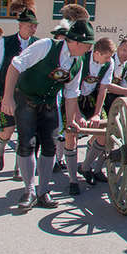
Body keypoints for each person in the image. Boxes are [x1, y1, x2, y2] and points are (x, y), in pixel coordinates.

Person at [0, 15, 94, 210]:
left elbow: (71, 93)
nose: (89, 48)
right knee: (28, 143)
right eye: (87, 44)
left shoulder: (78, 61)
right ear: (75, 42)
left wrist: (70, 121)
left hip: (49, 104)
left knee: (50, 146)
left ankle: (43, 192)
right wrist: (8, 97)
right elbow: (15, 66)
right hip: (26, 99)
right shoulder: (46, 46)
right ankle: (29, 191)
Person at [0, 0, 39, 181]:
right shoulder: (6, 42)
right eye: (29, 25)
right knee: (7, 130)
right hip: (7, 94)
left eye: (35, 25)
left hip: (28, 97)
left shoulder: (38, 43)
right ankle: (0, 150)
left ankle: (20, 167)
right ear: (20, 25)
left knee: (25, 132)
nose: (33, 28)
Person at [69, 36, 115, 195]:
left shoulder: (109, 63)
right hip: (72, 99)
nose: (109, 60)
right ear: (96, 53)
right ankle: (72, 179)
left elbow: (103, 89)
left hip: (91, 98)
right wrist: (77, 115)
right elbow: (71, 89)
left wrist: (96, 114)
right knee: (71, 134)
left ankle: (86, 167)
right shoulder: (81, 59)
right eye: (106, 57)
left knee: (105, 132)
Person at [50, 21, 70, 173]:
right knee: (55, 127)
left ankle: (60, 158)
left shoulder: (71, 57)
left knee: (63, 129)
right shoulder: (50, 54)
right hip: (52, 94)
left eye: (65, 39)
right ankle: (51, 158)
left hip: (67, 93)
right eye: (60, 39)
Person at [102, 37, 127, 115]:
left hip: (113, 98)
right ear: (118, 48)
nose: (125, 54)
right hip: (100, 95)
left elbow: (124, 87)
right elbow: (106, 86)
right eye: (124, 50)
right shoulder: (108, 61)